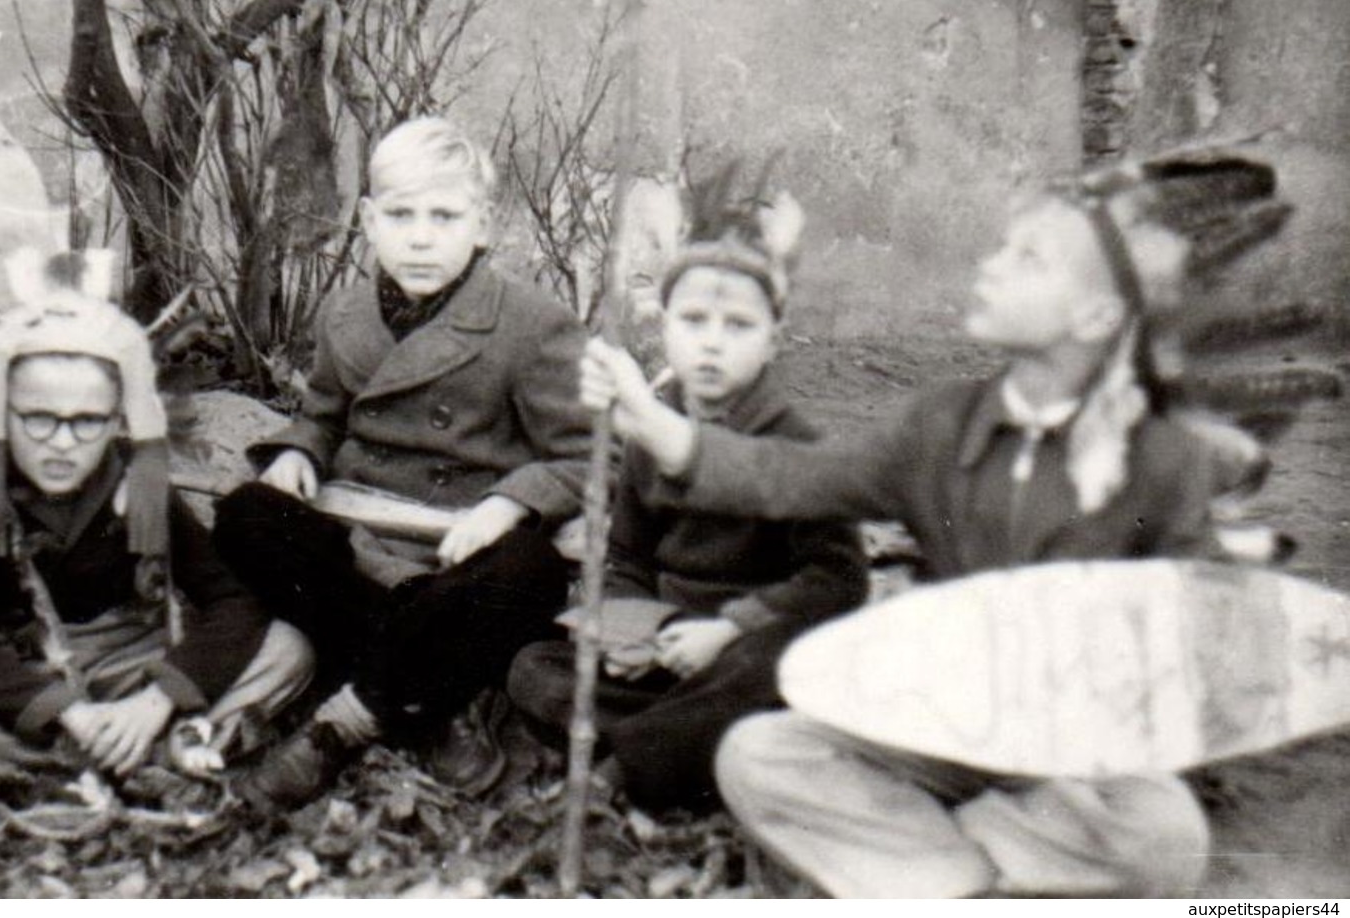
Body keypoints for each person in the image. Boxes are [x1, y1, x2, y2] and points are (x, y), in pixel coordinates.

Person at [578, 154, 1279, 896]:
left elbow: (1207, 624)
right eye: (1002, 247)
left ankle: (943, 862)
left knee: (1165, 837)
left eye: (1027, 259)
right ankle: (964, 880)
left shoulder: (1158, 460)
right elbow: (789, 479)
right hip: (940, 723)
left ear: (1096, 316)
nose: (991, 266)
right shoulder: (939, 426)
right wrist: (654, 425)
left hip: (1069, 747)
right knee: (759, 755)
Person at [212, 116, 593, 810]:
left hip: (457, 547)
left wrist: (508, 503)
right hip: (360, 532)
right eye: (401, 215)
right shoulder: (346, 314)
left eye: (444, 217)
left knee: (528, 570)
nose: (421, 237)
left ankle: (342, 723)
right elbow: (323, 412)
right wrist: (300, 452)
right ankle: (432, 692)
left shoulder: (531, 324)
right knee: (244, 515)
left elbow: (587, 451)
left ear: (481, 226)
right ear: (368, 222)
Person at [505, 180, 866, 813]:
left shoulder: (793, 440)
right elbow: (624, 558)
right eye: (694, 321)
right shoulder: (650, 429)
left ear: (773, 340)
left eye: (738, 325)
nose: (712, 342)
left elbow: (838, 579)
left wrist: (728, 629)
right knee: (533, 669)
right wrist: (636, 634)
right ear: (665, 325)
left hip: (744, 644)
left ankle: (619, 774)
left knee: (773, 672)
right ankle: (684, 747)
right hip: (668, 651)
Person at [0, 249, 313, 783]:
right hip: (30, 676)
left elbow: (231, 599)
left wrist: (159, 700)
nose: (63, 444)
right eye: (38, 420)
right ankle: (138, 766)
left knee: (289, 649)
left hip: (132, 672)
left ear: (118, 419)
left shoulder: (140, 484)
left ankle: (123, 758)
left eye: (87, 422)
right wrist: (62, 708)